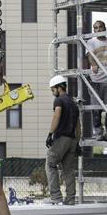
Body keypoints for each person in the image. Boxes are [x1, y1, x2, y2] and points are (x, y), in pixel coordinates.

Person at [45, 76, 81, 206]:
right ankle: (70, 199)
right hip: (72, 140)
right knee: (68, 170)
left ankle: (55, 197)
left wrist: (50, 134)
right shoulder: (73, 103)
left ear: (59, 88)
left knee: (50, 163)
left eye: (53, 89)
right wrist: (77, 142)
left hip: (62, 139)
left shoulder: (59, 100)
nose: (52, 92)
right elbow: (78, 125)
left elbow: (57, 116)